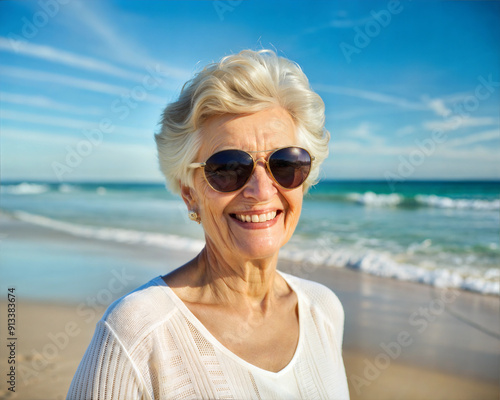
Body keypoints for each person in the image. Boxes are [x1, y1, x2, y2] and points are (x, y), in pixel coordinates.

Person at [67, 49, 349, 400]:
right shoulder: (136, 332)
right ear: (190, 194)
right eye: (228, 167)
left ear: (304, 179)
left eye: (284, 163)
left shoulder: (323, 310)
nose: (262, 191)